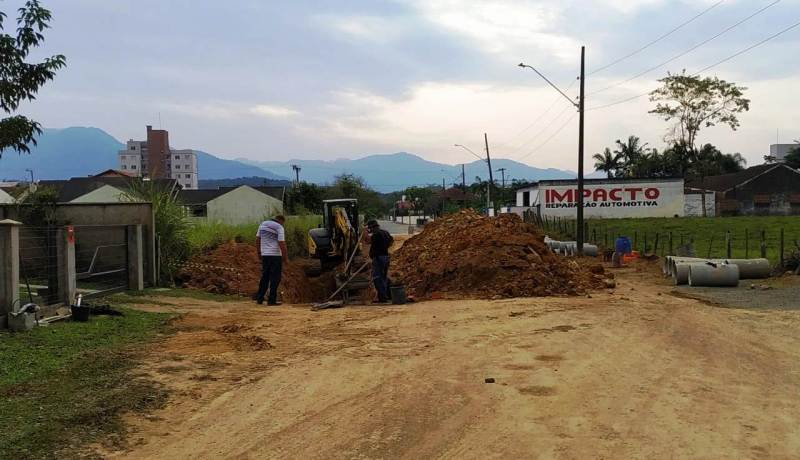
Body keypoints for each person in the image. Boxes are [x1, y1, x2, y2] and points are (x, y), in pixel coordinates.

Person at [255, 215, 289, 306]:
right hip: (275, 255)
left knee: (265, 277)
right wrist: (285, 258)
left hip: (265, 255)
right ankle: (271, 300)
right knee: (275, 278)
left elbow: (258, 239)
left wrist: (259, 253)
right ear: (281, 221)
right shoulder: (279, 227)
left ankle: (260, 298)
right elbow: (281, 242)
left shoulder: (262, 224)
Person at [367, 219, 394, 303]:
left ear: (372, 227)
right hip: (386, 257)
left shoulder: (376, 235)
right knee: (384, 277)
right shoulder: (385, 232)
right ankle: (388, 295)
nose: (370, 230)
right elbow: (391, 240)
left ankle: (383, 297)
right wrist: (385, 248)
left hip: (378, 258)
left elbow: (369, 243)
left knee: (377, 278)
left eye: (370, 228)